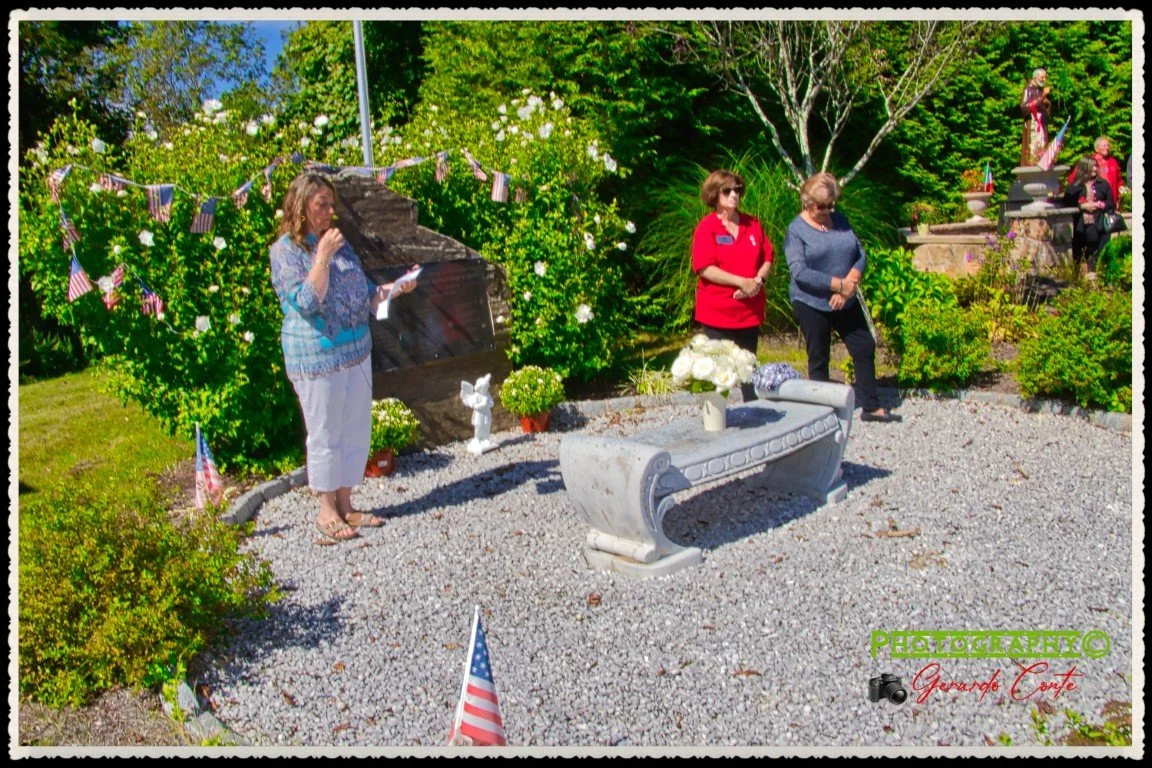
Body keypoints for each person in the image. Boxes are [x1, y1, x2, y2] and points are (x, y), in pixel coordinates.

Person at [270, 173, 418, 543]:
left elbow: (364, 292)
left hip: (356, 352)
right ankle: (326, 510)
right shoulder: (285, 251)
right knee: (325, 432)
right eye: (322, 204)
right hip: (318, 357)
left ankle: (347, 504)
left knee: (355, 429)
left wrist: (395, 289)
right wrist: (321, 256)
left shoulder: (339, 242)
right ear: (301, 206)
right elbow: (306, 302)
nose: (330, 212)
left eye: (331, 205)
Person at [785, 173, 900, 423]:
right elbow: (799, 272)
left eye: (831, 204)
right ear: (807, 202)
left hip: (846, 296)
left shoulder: (840, 220)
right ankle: (820, 411)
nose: (828, 210)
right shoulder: (796, 230)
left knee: (863, 345)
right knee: (819, 354)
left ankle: (870, 406)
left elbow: (860, 253)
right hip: (810, 300)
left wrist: (849, 284)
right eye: (821, 206)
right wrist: (838, 285)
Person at [691, 169, 773, 402]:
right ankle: (717, 418)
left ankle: (754, 416)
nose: (734, 195)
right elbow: (704, 267)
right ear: (714, 195)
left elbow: (768, 257)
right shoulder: (707, 228)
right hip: (717, 313)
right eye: (726, 191)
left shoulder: (752, 224)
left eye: (737, 190)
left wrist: (757, 282)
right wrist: (741, 282)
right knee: (718, 373)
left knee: (748, 371)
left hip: (749, 311)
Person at [1061, 156, 1114, 274]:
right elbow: (1067, 203)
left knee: (1097, 252)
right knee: (1080, 255)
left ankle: (1095, 275)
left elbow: (1111, 203)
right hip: (1081, 226)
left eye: (1096, 166)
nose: (1095, 169)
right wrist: (1082, 206)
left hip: (1099, 224)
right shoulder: (1075, 186)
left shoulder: (1102, 184)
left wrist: (1101, 204)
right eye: (1092, 166)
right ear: (1084, 168)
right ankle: (1081, 278)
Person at [1068, 136, 1123, 211]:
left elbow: (1119, 181)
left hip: (1110, 202)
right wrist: (1082, 198)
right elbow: (1073, 179)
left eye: (1108, 145)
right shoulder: (1089, 162)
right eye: (1104, 146)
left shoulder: (1112, 161)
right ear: (1097, 149)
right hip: (1093, 203)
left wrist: (1119, 198)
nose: (1107, 148)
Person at [1019, 68, 1053, 167]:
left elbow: (1046, 109)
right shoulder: (1028, 89)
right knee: (1032, 148)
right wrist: (1042, 97)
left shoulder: (1040, 89)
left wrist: (1047, 104)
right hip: (1033, 124)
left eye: (1045, 77)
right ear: (1035, 77)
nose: (1044, 80)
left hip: (1042, 124)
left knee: (1042, 145)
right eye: (1042, 77)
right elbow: (1024, 108)